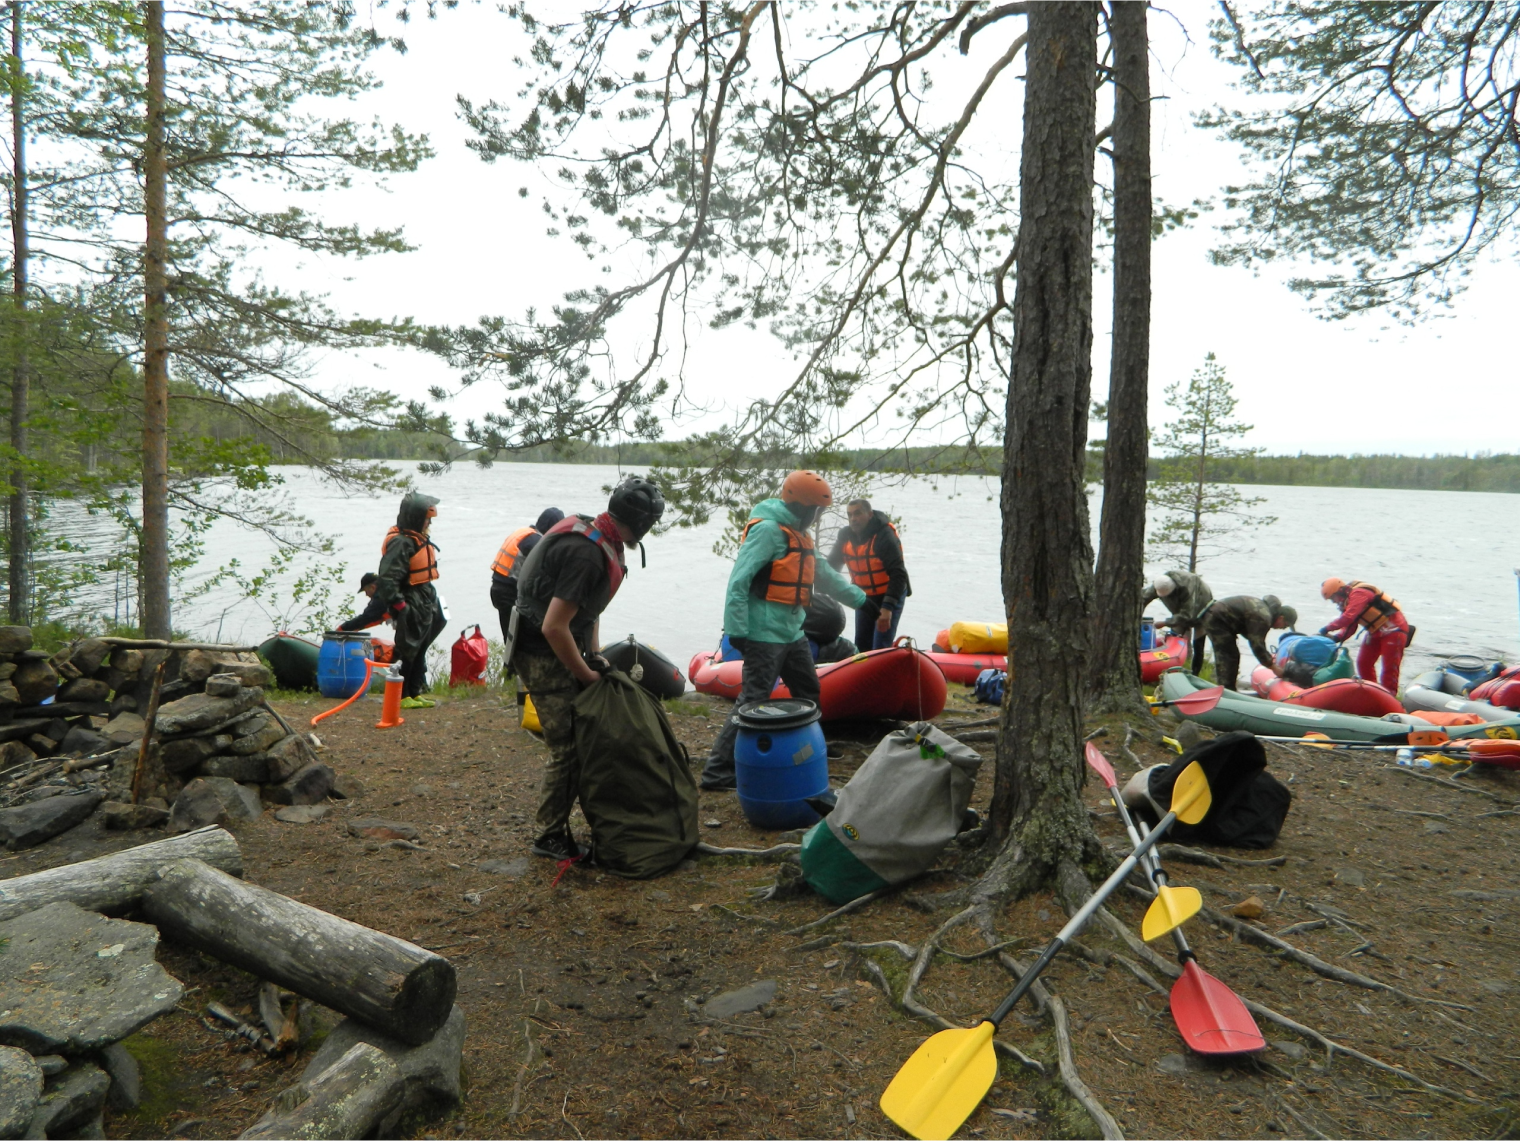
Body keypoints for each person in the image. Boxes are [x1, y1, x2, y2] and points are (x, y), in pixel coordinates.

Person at [509, 476, 665, 861]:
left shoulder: (601, 535)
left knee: (585, 735)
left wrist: (595, 654)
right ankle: (549, 837)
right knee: (568, 747)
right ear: (642, 523)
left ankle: (585, 818)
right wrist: (586, 674)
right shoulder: (587, 553)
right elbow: (553, 626)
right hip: (539, 649)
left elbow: (585, 610)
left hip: (561, 640)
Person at [700, 471, 868, 791]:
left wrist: (863, 601)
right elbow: (739, 581)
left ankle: (813, 743)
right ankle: (717, 771)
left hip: (792, 632)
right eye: (814, 511)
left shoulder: (799, 534)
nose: (817, 517)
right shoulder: (767, 532)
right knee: (752, 701)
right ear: (799, 506)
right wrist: (737, 631)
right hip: (763, 634)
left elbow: (825, 574)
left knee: (809, 691)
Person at [345, 492, 447, 708]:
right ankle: (401, 696)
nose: (429, 522)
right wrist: (401, 606)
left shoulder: (415, 539)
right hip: (409, 600)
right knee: (406, 649)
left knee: (419, 648)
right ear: (416, 517)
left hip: (423, 597)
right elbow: (389, 579)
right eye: (426, 518)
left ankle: (414, 691)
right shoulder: (401, 543)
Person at [827, 498, 911, 652]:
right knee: (862, 644)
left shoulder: (884, 536)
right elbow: (831, 567)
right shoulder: (845, 536)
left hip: (890, 593)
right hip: (865, 596)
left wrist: (887, 608)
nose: (853, 519)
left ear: (870, 514)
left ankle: (883, 672)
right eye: (850, 515)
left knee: (880, 645)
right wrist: (822, 594)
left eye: (858, 514)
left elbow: (898, 574)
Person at [489, 507, 565, 646]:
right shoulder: (536, 542)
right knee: (519, 643)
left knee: (510, 640)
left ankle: (510, 665)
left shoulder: (524, 532)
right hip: (509, 593)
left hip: (498, 589)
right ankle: (515, 665)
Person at [1320, 577, 1411, 692]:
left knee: (1389, 667)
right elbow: (1350, 627)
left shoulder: (1359, 594)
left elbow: (1348, 617)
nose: (1334, 601)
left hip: (1394, 629)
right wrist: (1336, 638)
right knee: (1363, 663)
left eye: (1333, 598)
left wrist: (1326, 628)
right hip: (1375, 631)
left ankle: (1390, 695)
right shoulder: (1348, 602)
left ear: (1340, 591)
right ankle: (1371, 692)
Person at [1198, 595, 1297, 690]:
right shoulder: (1263, 617)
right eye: (1285, 625)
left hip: (1219, 617)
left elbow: (1252, 636)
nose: (1283, 628)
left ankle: (1226, 687)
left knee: (1230, 654)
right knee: (1228, 655)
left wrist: (1269, 661)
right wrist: (1273, 667)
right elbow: (1257, 645)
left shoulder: (1264, 610)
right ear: (1281, 618)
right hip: (1217, 619)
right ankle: (1226, 690)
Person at [1141, 570, 1215, 674]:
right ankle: (1171, 669)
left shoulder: (1188, 589)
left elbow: (1186, 615)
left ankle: (1195, 673)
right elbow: (1143, 599)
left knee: (1198, 644)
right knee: (1174, 636)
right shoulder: (1160, 584)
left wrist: (1165, 622)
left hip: (1202, 610)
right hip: (1180, 611)